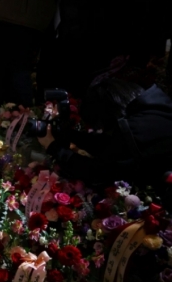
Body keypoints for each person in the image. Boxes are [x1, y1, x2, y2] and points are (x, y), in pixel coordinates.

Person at [38, 79, 172, 206]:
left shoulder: (133, 132)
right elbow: (109, 146)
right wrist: (71, 135)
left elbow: (99, 172)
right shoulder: (156, 105)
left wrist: (52, 147)